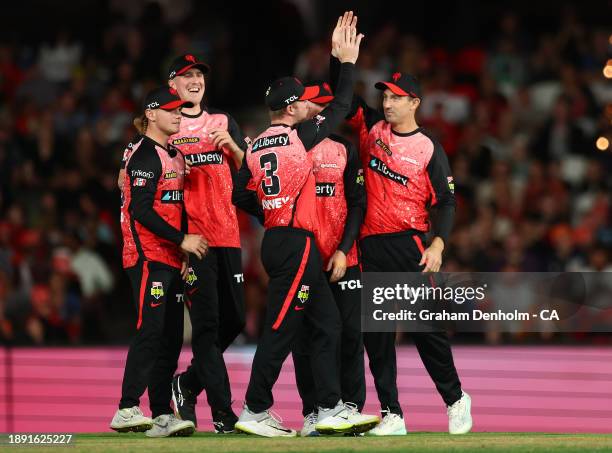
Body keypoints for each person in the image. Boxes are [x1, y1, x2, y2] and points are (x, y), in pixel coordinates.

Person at [231, 12, 378, 437]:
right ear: (293, 108)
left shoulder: (257, 143)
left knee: (327, 323)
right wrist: (345, 61)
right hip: (295, 244)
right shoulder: (300, 136)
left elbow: (240, 193)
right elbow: (344, 104)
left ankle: (329, 408)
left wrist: (270, 209)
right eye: (302, 104)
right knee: (280, 330)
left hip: (280, 240)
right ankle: (255, 408)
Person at [328, 12, 472, 435]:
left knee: (425, 331)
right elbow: (342, 99)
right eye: (384, 96)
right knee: (377, 337)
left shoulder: (429, 146)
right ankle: (391, 413)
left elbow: (446, 199)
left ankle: (456, 398)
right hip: (367, 245)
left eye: (395, 97)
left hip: (408, 246)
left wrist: (440, 243)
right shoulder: (370, 129)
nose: (387, 103)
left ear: (414, 102)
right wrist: (341, 59)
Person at [109, 87, 208, 438]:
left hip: (169, 257)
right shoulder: (144, 155)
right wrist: (182, 241)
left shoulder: (174, 154)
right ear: (151, 114)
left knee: (168, 336)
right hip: (147, 255)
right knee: (150, 329)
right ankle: (126, 407)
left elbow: (175, 207)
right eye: (170, 110)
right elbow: (139, 210)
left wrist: (179, 251)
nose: (178, 115)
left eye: (180, 110)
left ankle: (162, 413)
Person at [164, 54, 249, 434]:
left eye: (199, 75)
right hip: (195, 242)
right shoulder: (167, 126)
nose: (195, 80)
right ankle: (222, 413)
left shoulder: (222, 121)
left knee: (236, 321)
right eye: (187, 76)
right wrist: (179, 242)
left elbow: (252, 170)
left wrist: (232, 145)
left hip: (229, 235)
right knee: (206, 328)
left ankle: (188, 382)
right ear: (173, 85)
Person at [290, 81, 369, 437]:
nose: (321, 111)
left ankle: (350, 408)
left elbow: (357, 204)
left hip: (343, 257)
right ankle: (313, 411)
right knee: (305, 339)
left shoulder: (345, 149)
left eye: (326, 105)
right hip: (304, 260)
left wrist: (343, 248)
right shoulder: (290, 148)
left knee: (352, 333)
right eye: (315, 105)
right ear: (302, 109)